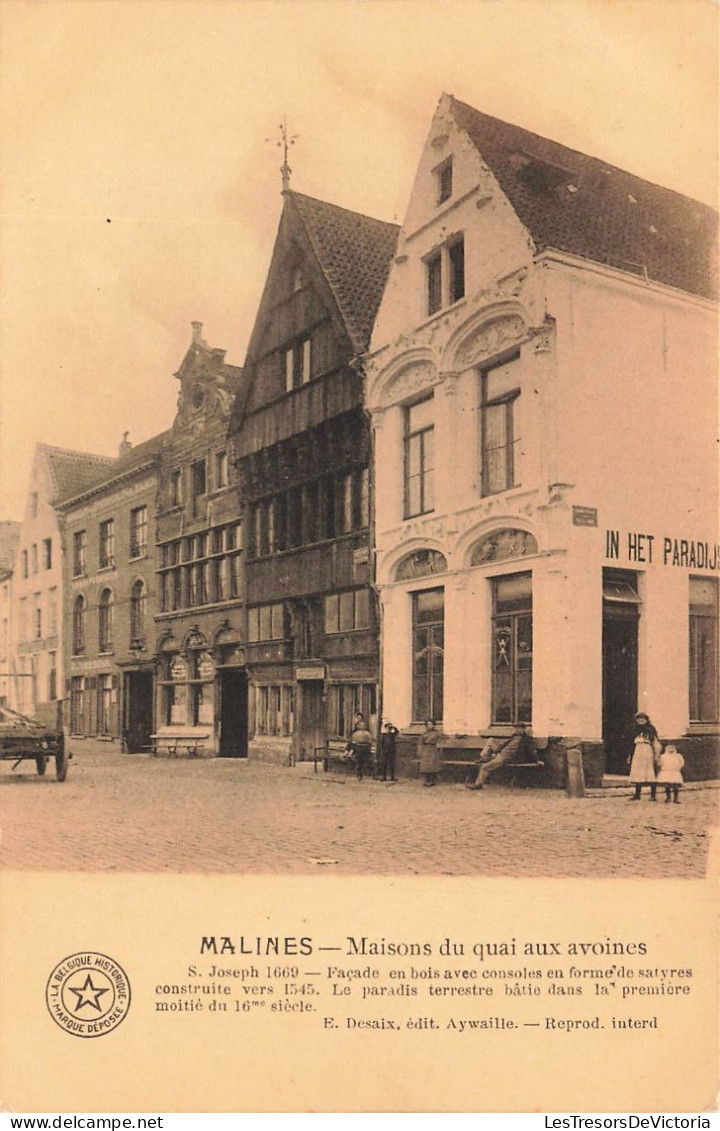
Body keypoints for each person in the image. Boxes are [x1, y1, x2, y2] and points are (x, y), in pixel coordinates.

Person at [466, 725, 532, 790]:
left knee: (484, 767)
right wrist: (496, 752)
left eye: (519, 728)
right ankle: (485, 757)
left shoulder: (525, 739)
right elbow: (503, 745)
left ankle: (478, 785)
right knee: (491, 741)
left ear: (523, 729)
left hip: (505, 758)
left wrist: (537, 760)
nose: (517, 730)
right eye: (516, 728)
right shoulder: (514, 736)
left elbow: (530, 750)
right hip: (501, 754)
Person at [628, 711, 661, 800]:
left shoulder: (651, 729)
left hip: (647, 751)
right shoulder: (634, 729)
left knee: (649, 772)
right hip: (637, 752)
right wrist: (630, 755)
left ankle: (653, 795)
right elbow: (631, 743)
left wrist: (656, 755)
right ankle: (637, 795)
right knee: (638, 772)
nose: (641, 721)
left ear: (646, 719)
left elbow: (655, 742)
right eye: (639, 719)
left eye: (642, 719)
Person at [346, 716, 373, 781]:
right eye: (360, 725)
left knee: (365, 761)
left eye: (363, 725)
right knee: (358, 762)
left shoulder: (367, 733)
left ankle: (365, 773)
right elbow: (353, 741)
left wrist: (368, 745)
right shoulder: (355, 733)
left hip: (365, 748)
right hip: (358, 748)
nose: (362, 726)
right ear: (358, 726)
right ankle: (359, 774)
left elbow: (370, 741)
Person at [418, 719, 441, 786]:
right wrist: (419, 750)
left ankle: (432, 780)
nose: (429, 726)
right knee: (425, 765)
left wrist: (439, 744)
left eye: (431, 724)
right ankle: (426, 780)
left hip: (433, 749)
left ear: (434, 725)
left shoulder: (437, 733)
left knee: (432, 764)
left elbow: (442, 739)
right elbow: (420, 742)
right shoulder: (424, 734)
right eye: (428, 724)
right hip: (425, 749)